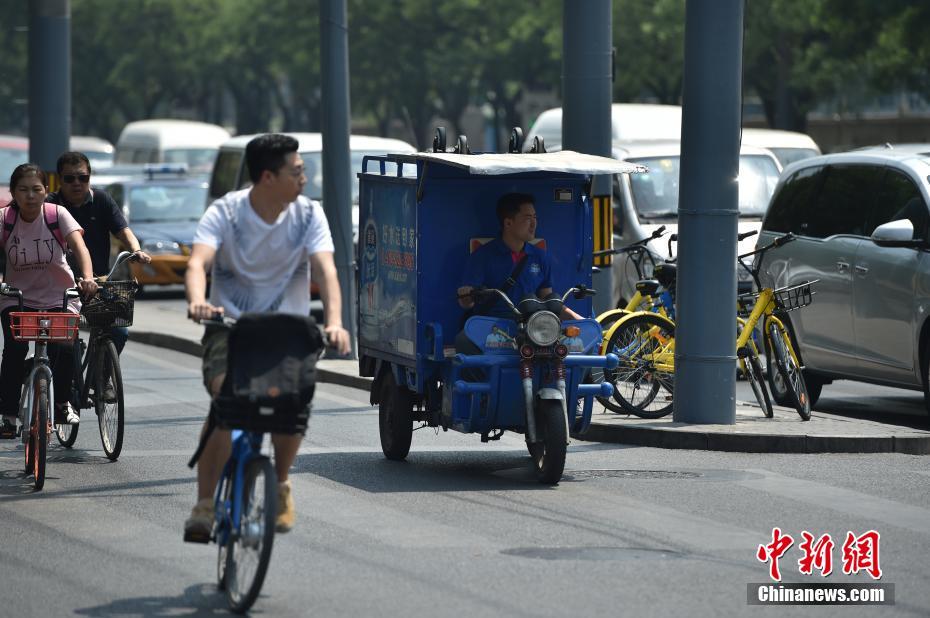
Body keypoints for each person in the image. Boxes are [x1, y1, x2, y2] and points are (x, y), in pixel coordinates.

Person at [184, 134, 351, 541]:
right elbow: (197, 263)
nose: (304, 179)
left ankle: (280, 482)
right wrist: (198, 301)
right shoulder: (226, 212)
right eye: (296, 172)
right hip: (231, 328)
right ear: (267, 177)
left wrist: (334, 321)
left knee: (292, 404)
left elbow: (326, 271)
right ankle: (205, 505)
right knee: (227, 400)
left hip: (286, 335)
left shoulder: (309, 215)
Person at [0, 164, 98, 438]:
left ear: (46, 192)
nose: (30, 195)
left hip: (59, 295)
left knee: (64, 347)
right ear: (13, 193)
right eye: (23, 190)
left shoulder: (57, 214)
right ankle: (8, 415)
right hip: (16, 299)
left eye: (37, 189)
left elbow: (80, 248)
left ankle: (63, 402)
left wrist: (88, 278)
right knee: (14, 349)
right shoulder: (5, 219)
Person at [46, 151, 152, 355]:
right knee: (63, 343)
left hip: (97, 284)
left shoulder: (101, 200)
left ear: (89, 177)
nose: (77, 183)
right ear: (60, 180)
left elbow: (124, 231)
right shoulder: (50, 205)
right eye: (69, 178)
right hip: (60, 287)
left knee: (119, 332)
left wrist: (136, 250)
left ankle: (102, 379)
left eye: (82, 177)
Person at [456, 192, 583, 325]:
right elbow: (466, 302)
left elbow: (549, 301)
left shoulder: (540, 256)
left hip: (532, 331)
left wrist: (582, 322)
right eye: (528, 218)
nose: (534, 224)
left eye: (535, 217)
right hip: (490, 329)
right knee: (463, 341)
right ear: (508, 223)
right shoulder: (482, 256)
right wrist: (465, 295)